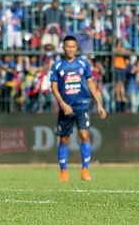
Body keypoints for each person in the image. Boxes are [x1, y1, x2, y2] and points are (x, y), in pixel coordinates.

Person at [50, 36, 107, 182]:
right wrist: (62, 104)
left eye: (73, 47)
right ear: (63, 48)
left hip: (82, 106)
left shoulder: (83, 63)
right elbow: (54, 87)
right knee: (64, 139)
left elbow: (90, 83)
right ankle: (64, 171)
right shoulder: (57, 65)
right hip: (66, 108)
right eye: (67, 47)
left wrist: (99, 104)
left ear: (76, 48)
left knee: (84, 135)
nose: (70, 49)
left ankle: (85, 170)